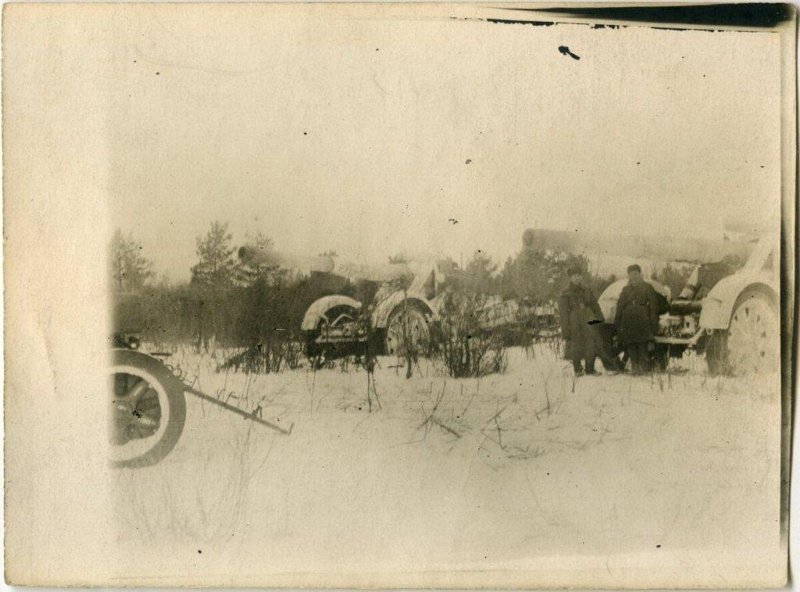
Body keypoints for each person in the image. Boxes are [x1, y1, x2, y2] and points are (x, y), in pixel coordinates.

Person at [559, 266, 605, 376]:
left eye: (579, 275)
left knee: (591, 342)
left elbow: (595, 305)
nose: (577, 278)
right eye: (574, 276)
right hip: (574, 320)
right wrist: (565, 329)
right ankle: (578, 369)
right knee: (576, 344)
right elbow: (563, 313)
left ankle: (590, 369)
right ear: (570, 277)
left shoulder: (587, 290)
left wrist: (600, 318)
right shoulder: (565, 293)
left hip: (588, 317)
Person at [615, 264, 661, 375]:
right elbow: (619, 307)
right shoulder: (625, 290)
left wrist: (654, 326)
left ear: (640, 275)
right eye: (631, 275)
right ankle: (635, 369)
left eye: (635, 274)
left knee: (642, 347)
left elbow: (653, 308)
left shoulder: (647, 288)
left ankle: (643, 370)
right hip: (628, 322)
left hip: (642, 322)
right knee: (631, 347)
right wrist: (617, 324)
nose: (633, 277)